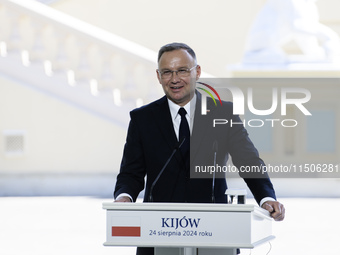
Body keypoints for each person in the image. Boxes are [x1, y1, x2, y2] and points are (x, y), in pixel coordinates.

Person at [114, 42, 285, 255]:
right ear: (158, 76)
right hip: (159, 233)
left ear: (197, 72)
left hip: (215, 232)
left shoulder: (224, 113)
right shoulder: (142, 119)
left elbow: (248, 161)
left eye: (182, 71)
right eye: (167, 72)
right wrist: (124, 196)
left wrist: (267, 198)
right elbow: (131, 172)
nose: (174, 79)